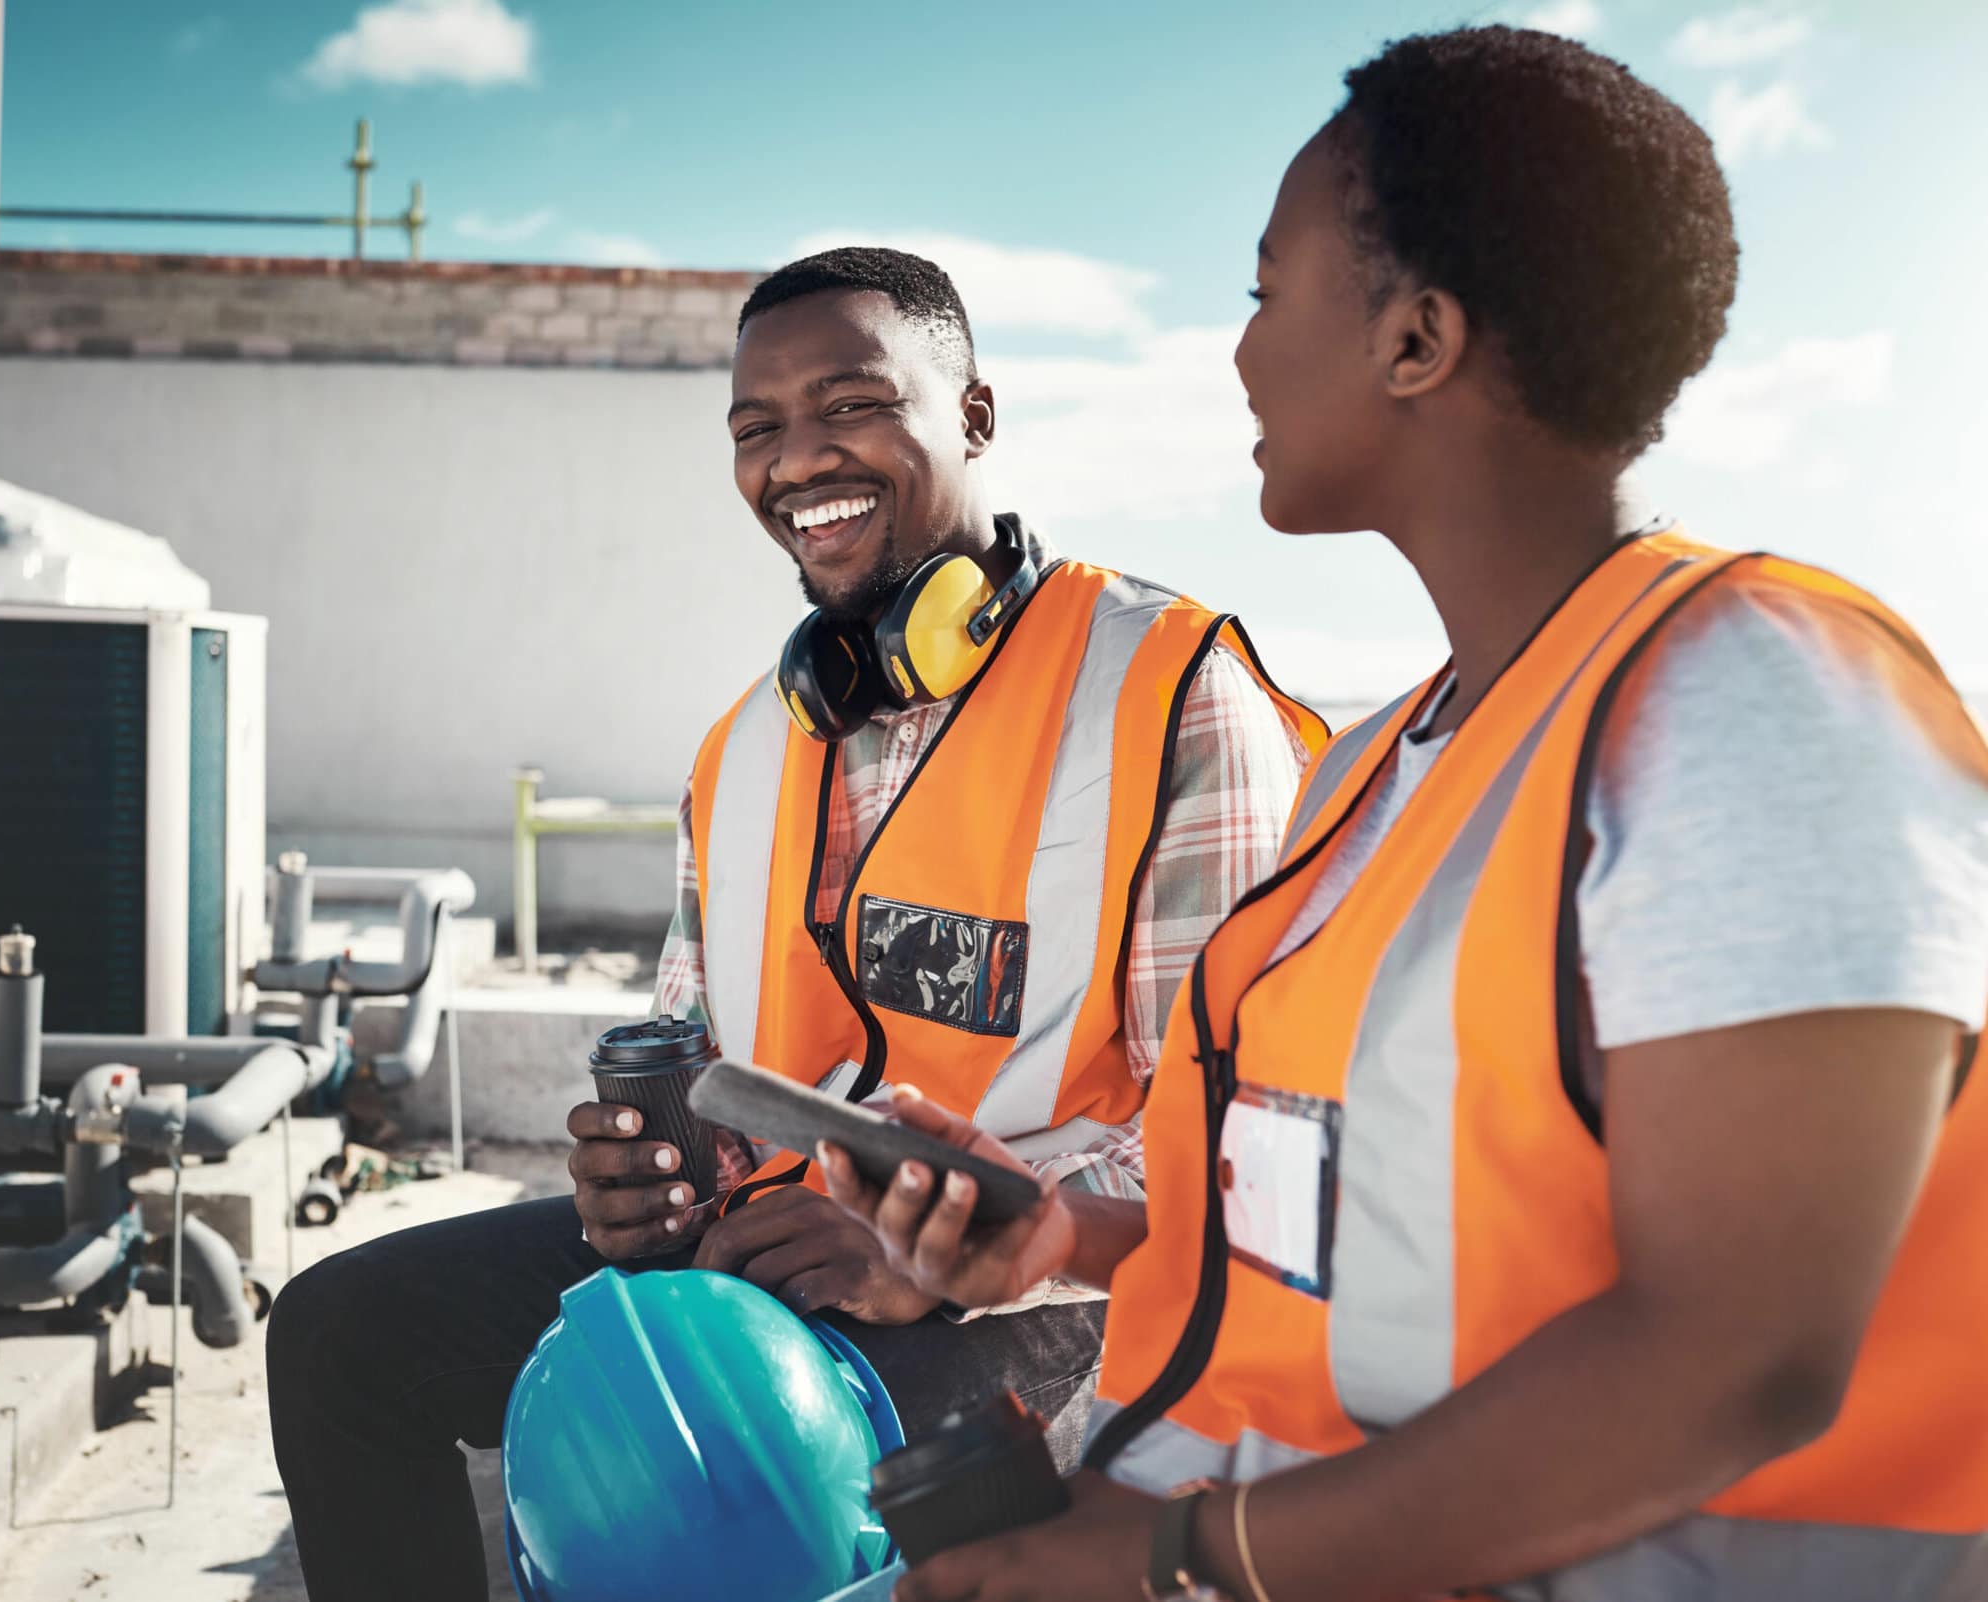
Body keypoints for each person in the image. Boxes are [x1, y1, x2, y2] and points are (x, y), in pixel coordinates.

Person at [822, 27, 1988, 1602]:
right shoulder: (1384, 763)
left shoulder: (1753, 695)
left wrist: (1181, 1556)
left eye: (1264, 290)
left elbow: (1738, 1356)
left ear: (1417, 339)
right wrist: (1060, 1241)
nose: (1236, 353)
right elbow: (1353, 1217)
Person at [265, 246, 1321, 1602]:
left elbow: (1242, 1154)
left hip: (1046, 1306)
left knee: (717, 1477)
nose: (796, 458)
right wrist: (647, 1175)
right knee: (341, 1335)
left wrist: (947, 1258)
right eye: (757, 430)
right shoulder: (747, 744)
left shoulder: (1173, 694)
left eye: (850, 406)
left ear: (976, 418)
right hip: (759, 1261)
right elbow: (703, 1044)